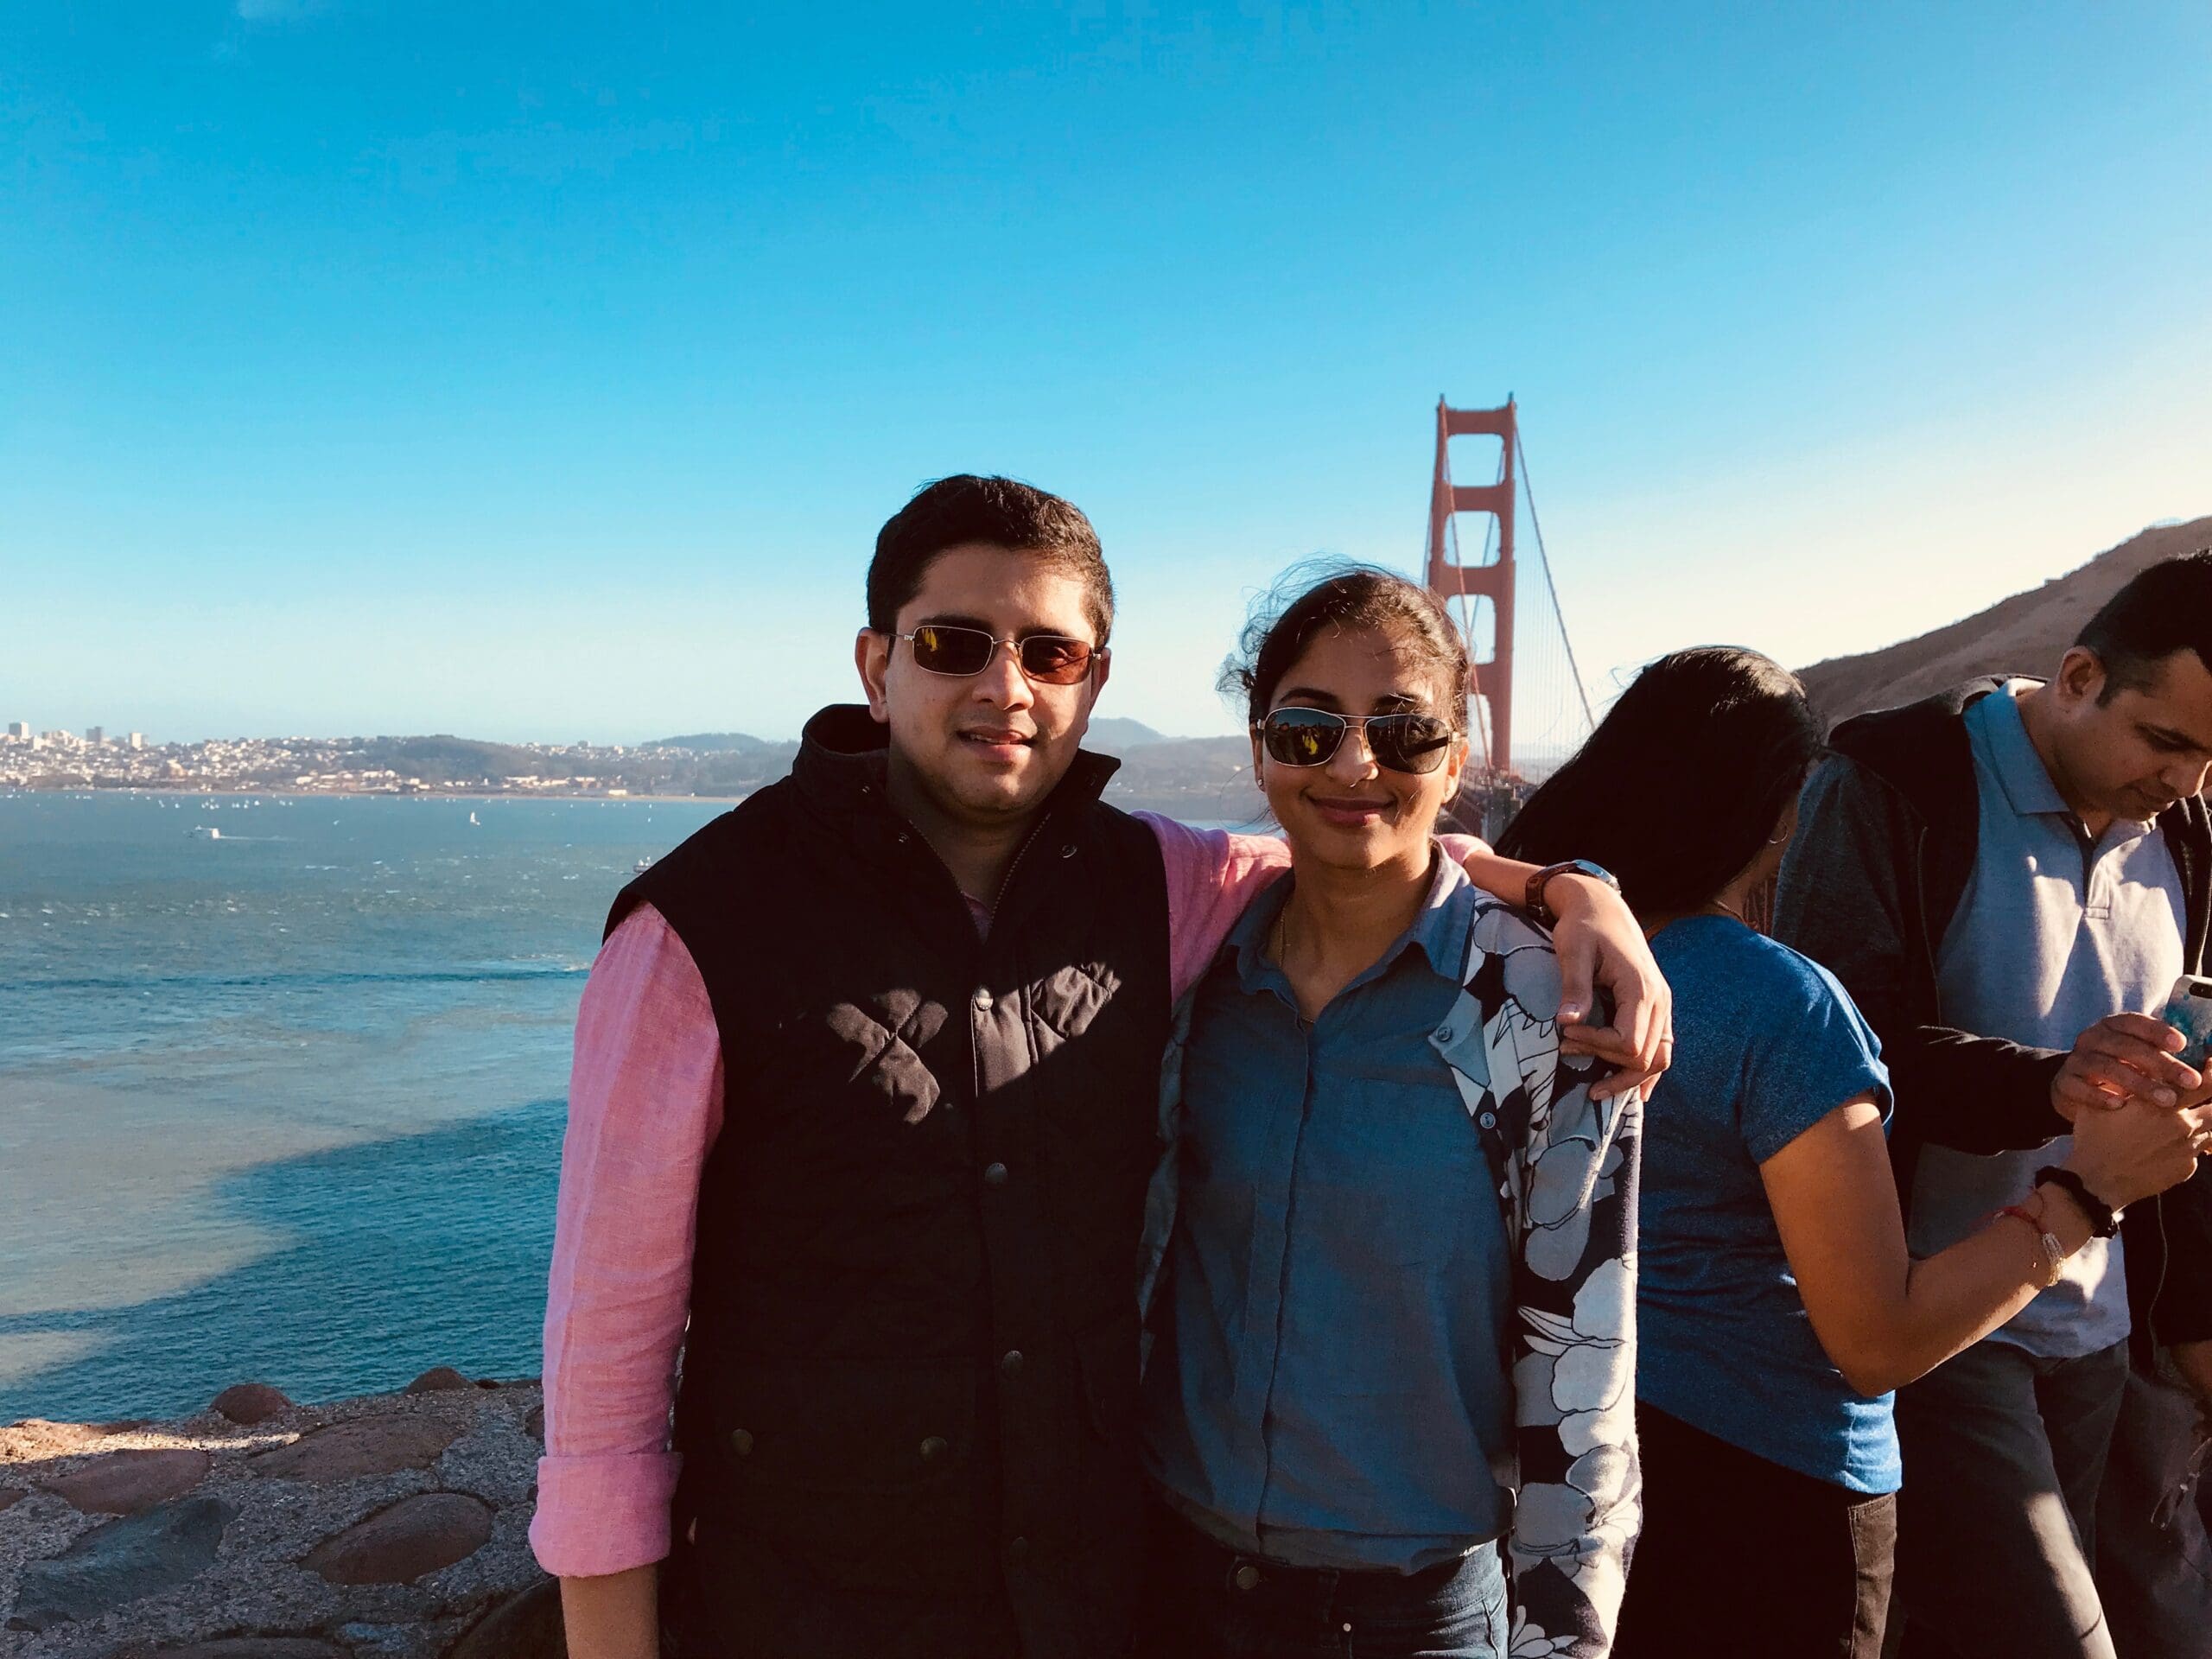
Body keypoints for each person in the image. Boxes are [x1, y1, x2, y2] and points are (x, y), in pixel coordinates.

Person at [531, 478, 1673, 1659]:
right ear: (876, 666)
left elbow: (1372, 844)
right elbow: (602, 1384)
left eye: (1050, 651)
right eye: (953, 644)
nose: (1004, 686)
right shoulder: (692, 934)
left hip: (1104, 1604)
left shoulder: (1155, 885)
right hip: (813, 1608)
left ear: (1097, 678)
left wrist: (1571, 890)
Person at [1497, 646, 2207, 1658]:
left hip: (1582, 1460)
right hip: (1778, 1484)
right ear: (1780, 814)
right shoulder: (1777, 1004)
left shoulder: (1509, 958)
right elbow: (1877, 1339)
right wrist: (2094, 1189)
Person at [1135, 567, 1642, 1659]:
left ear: (1457, 760)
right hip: (1166, 1578)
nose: (1357, 763)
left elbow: (1584, 1361)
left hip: (1411, 1616)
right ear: (1262, 747)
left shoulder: (1539, 1008)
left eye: (1406, 731)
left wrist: (1566, 1639)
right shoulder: (1189, 977)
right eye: (1310, 729)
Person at [1775, 552, 2212, 1659]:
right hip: (1932, 1315)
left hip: (2099, 1324)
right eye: (2165, 742)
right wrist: (2044, 1080)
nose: (2187, 782)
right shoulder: (1895, 781)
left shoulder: (2188, 831)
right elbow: (1827, 1053)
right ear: (2075, 676)